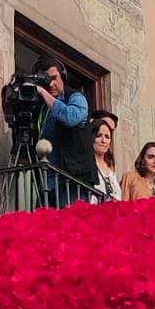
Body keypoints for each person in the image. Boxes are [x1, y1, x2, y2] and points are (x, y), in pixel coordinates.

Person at [31, 55, 94, 207]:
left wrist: (43, 93)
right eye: (46, 81)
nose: (51, 84)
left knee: (71, 228)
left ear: (63, 77)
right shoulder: (41, 107)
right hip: (46, 181)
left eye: (54, 78)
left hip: (71, 182)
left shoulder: (77, 97)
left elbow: (70, 117)